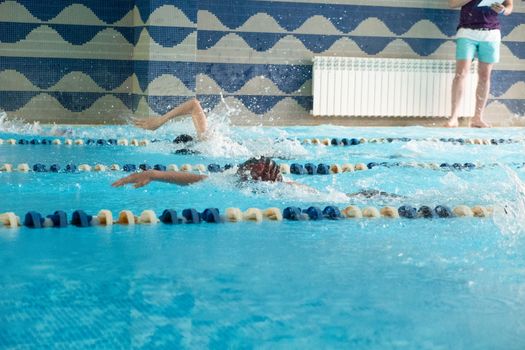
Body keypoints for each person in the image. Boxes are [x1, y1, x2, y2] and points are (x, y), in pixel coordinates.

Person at [445, 0, 513, 128]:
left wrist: (503, 10)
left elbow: (509, 6)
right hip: (467, 32)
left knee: (484, 77)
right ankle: (454, 118)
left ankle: (477, 118)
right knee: (460, 74)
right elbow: (452, 3)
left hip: (491, 34)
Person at [133, 98, 208, 140]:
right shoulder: (206, 139)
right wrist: (159, 121)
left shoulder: (206, 140)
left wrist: (159, 121)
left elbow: (193, 104)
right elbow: (193, 104)